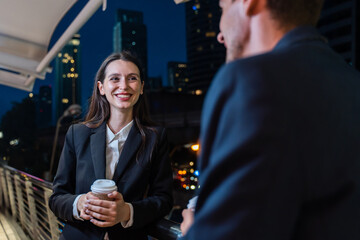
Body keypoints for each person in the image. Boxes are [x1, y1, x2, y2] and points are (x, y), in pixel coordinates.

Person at [181, 0, 360, 239]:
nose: (220, 36)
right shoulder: (351, 82)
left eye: (222, 9)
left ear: (248, 3)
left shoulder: (251, 81)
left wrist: (194, 230)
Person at [49, 51, 173, 240]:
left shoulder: (155, 138)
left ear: (141, 88)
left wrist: (127, 212)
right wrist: (79, 203)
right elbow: (57, 198)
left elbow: (164, 199)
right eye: (115, 78)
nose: (123, 86)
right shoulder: (77, 134)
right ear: (101, 88)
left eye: (132, 78)